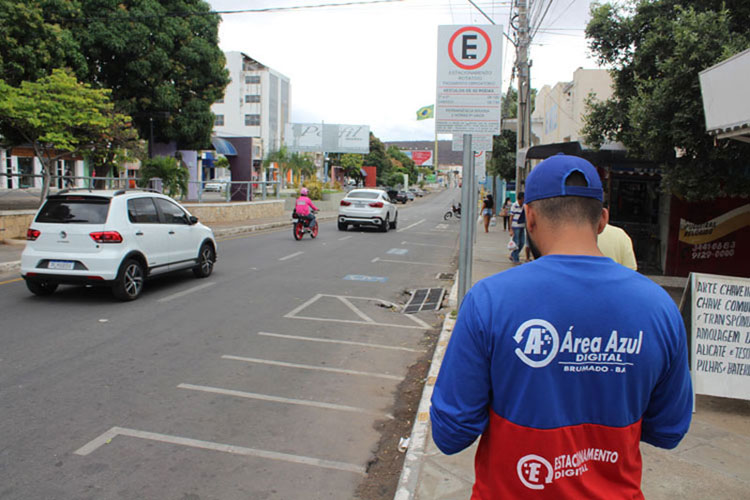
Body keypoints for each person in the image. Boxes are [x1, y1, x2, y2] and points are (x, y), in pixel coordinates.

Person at [430, 154, 692, 499]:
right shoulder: (660, 308)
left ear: (531, 217)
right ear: (602, 221)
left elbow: (451, 434)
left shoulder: (489, 300)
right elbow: (669, 430)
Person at [508, 192, 525, 264]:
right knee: (516, 243)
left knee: (522, 242)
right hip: (515, 227)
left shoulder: (524, 206)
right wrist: (510, 229)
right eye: (523, 199)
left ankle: (512, 255)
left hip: (522, 226)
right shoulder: (514, 205)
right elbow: (511, 217)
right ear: (520, 199)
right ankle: (516, 259)